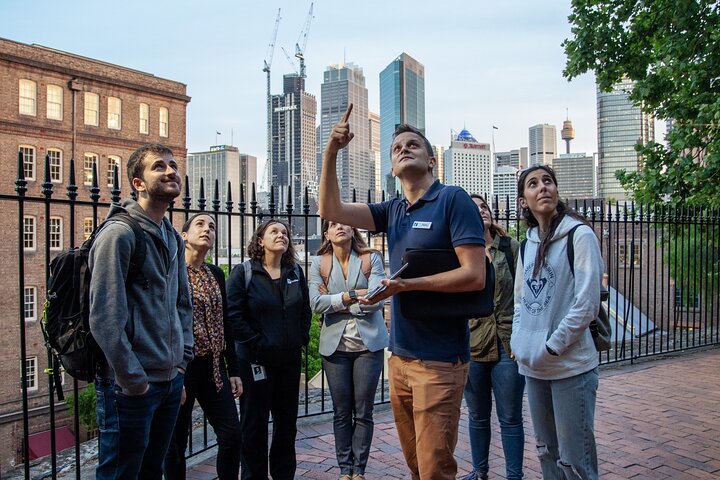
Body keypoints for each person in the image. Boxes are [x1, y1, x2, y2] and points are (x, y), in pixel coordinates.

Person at [318, 104, 486, 480]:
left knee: (435, 468)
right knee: (415, 465)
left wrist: (405, 285)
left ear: (431, 160)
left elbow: (474, 276)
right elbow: (330, 207)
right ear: (392, 168)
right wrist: (331, 152)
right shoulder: (394, 210)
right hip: (401, 358)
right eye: (396, 148)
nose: (403, 149)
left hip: (441, 360)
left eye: (413, 145)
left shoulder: (452, 200)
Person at [88, 143, 193, 479]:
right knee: (121, 473)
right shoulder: (120, 234)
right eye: (159, 167)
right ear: (137, 183)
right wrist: (133, 380)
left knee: (152, 472)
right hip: (129, 386)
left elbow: (182, 305)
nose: (171, 171)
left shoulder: (174, 238)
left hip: (168, 381)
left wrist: (180, 364)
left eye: (173, 165)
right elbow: (105, 318)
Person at [511, 165, 602, 480]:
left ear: (556, 190)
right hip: (534, 367)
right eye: (533, 184)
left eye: (547, 181)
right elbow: (521, 302)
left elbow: (587, 303)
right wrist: (518, 343)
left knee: (576, 461)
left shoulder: (579, 235)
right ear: (524, 200)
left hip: (570, 366)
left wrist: (551, 347)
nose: (542, 188)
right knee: (546, 452)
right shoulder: (527, 245)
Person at [226, 219, 311, 480]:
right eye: (274, 231)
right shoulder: (244, 272)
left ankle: (284, 474)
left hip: (288, 360)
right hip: (255, 361)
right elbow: (233, 314)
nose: (281, 235)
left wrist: (300, 339)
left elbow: (304, 311)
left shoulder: (295, 272)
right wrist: (257, 344)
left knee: (287, 424)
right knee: (254, 424)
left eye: (285, 232)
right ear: (260, 240)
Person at [164, 213, 243, 479]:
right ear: (183, 235)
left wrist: (233, 369)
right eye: (200, 224)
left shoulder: (216, 274)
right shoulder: (172, 273)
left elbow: (226, 323)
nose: (207, 229)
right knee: (174, 446)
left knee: (232, 435)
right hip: (182, 368)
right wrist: (175, 372)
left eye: (212, 226)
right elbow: (165, 323)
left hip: (213, 367)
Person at [308, 220, 389, 480]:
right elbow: (315, 304)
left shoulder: (370, 258)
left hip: (369, 346)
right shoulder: (318, 263)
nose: (340, 226)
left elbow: (377, 298)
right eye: (333, 224)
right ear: (327, 234)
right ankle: (345, 468)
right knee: (341, 411)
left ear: (353, 230)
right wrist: (353, 296)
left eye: (345, 223)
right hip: (335, 348)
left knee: (364, 410)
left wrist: (338, 301)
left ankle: (359, 470)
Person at [462, 195, 525, 480]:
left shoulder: (510, 247)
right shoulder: (460, 253)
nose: (482, 211)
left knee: (510, 417)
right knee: (477, 415)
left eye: (484, 206)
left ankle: (514, 476)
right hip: (473, 342)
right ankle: (480, 472)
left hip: (508, 342)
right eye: (473, 209)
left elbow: (524, 294)